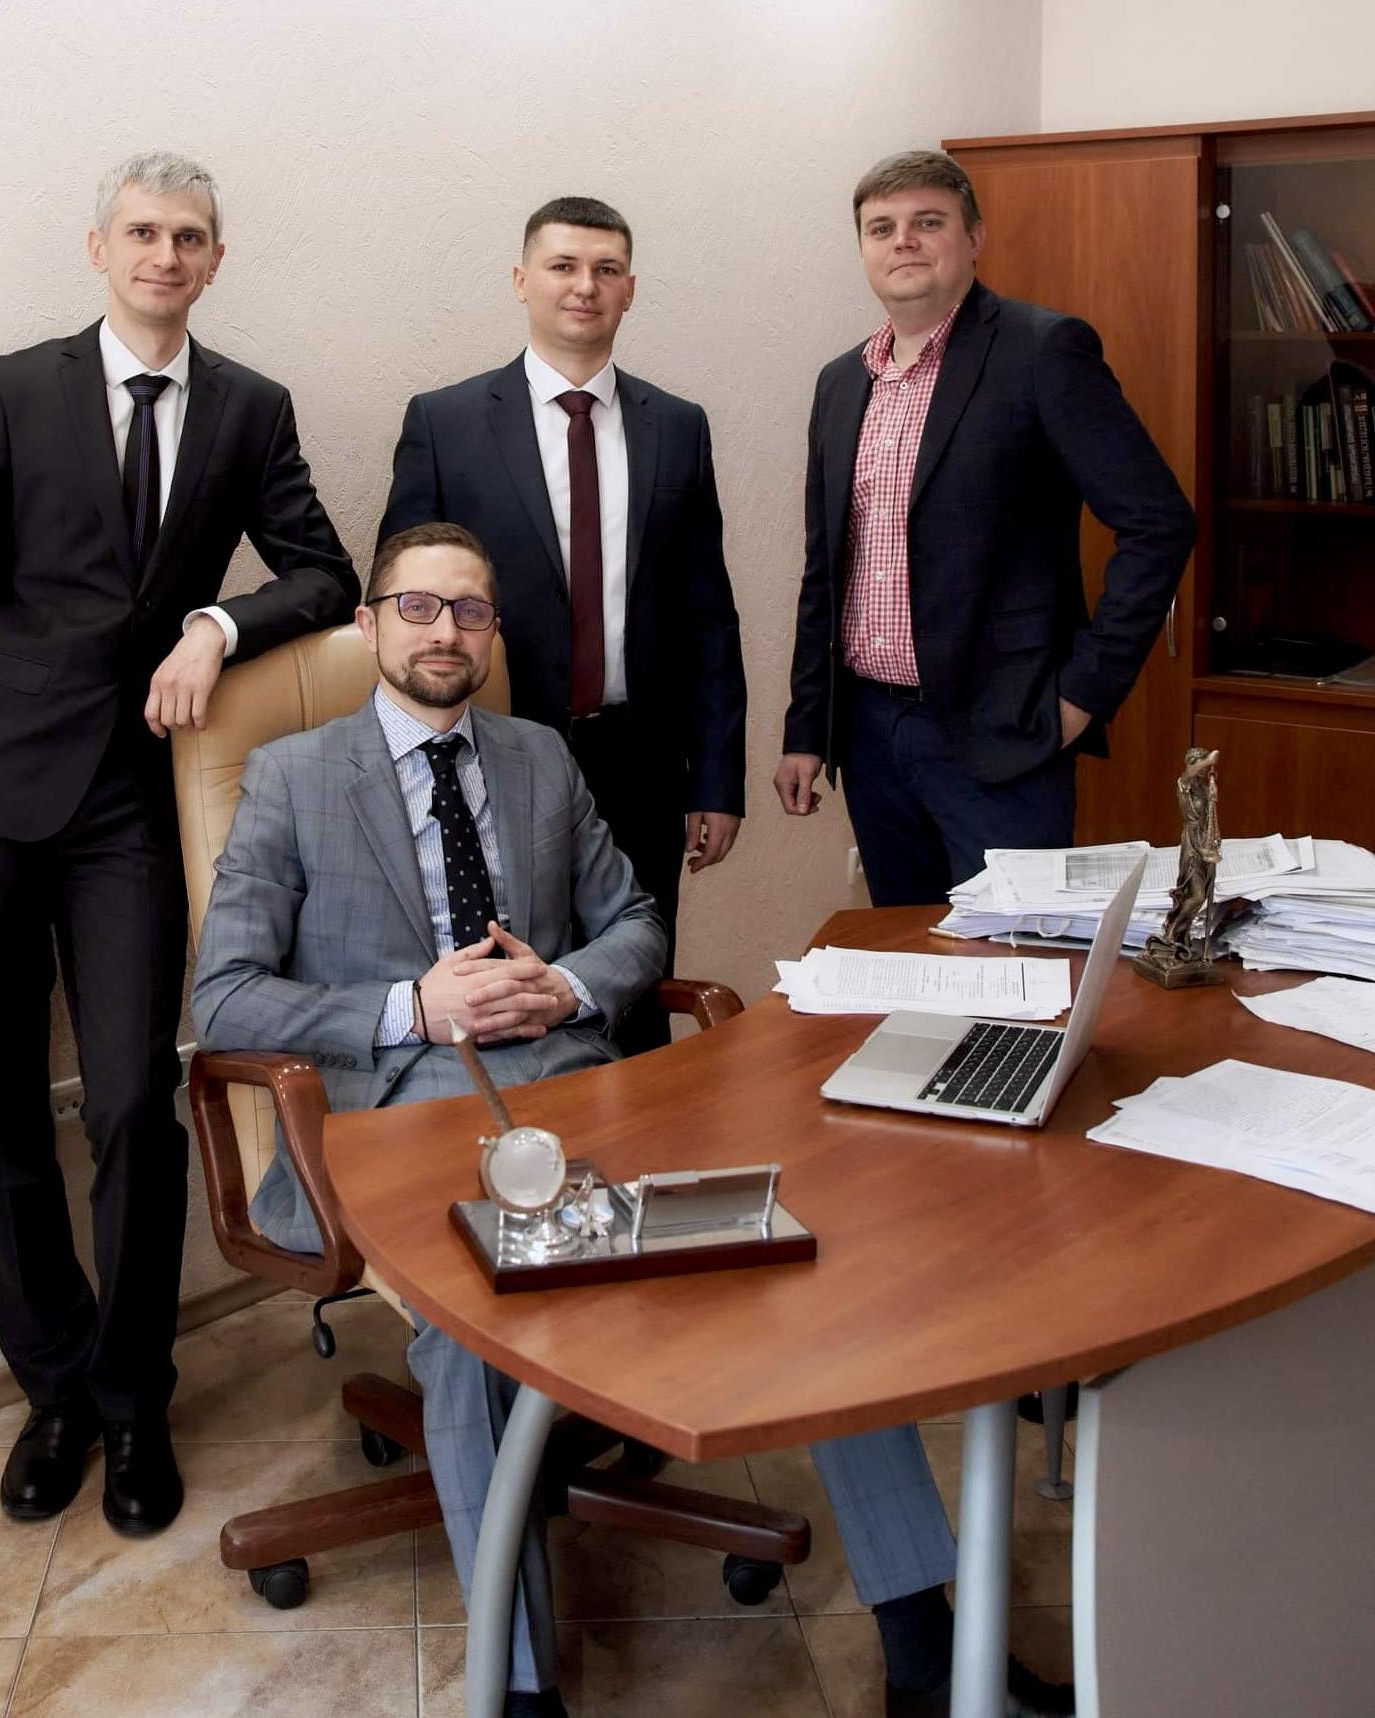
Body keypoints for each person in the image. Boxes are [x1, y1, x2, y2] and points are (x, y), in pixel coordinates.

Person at [192, 524, 1070, 1718]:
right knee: (475, 1327)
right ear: (369, 623)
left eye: (469, 611)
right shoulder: (294, 777)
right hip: (398, 1110)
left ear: (493, 633)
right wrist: (412, 1004)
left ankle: (927, 1651)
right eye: (418, 607)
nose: (445, 631)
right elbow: (223, 996)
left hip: (580, 1089)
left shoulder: (539, 757)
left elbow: (638, 924)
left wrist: (566, 984)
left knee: (788, 1239)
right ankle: (521, 1688)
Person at [0, 151, 359, 1535]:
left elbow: (326, 571)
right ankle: (55, 1394)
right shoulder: (10, 390)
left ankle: (135, 1396)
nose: (165, 254)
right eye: (142, 231)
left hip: (131, 810)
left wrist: (216, 624)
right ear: (100, 248)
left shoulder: (251, 407)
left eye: (189, 235)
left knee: (138, 1102)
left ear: (215, 259)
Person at [775, 150, 1195, 904]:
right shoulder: (841, 383)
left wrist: (1083, 694)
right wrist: (808, 728)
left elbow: (1158, 522)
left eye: (927, 222)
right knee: (906, 951)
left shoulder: (1042, 350)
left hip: (1003, 731)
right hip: (870, 735)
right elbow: (826, 571)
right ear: (863, 249)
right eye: (881, 228)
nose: (903, 241)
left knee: (1013, 956)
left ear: (973, 237)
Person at [378, 196, 746, 1049]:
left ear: (629, 290)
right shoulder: (446, 422)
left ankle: (638, 1134)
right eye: (563, 266)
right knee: (511, 990)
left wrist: (716, 778)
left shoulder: (677, 427)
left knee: (633, 985)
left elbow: (709, 617)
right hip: (491, 755)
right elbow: (406, 603)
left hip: (642, 762)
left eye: (606, 270)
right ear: (522, 280)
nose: (585, 286)